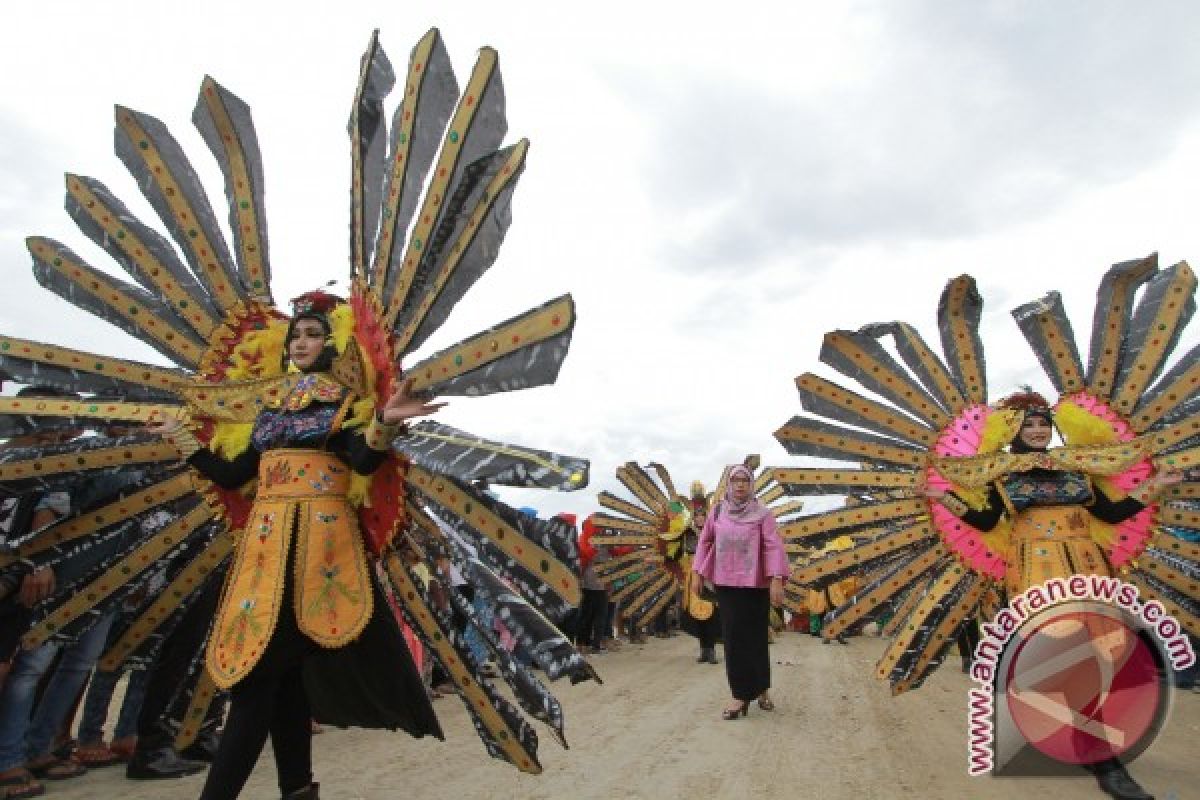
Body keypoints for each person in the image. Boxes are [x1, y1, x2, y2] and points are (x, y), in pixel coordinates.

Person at [151, 292, 446, 800]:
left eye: (313, 333)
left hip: (318, 559)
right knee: (282, 681)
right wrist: (181, 437)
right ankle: (297, 789)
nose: (301, 342)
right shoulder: (270, 411)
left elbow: (360, 463)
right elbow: (232, 473)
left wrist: (386, 419)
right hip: (263, 558)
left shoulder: (347, 404)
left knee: (257, 683)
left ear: (334, 343)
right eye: (296, 335)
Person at [925, 390, 1182, 800]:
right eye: (1029, 424)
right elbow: (987, 520)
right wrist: (947, 499)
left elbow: (1110, 515)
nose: (1039, 430)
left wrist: (1156, 485)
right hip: (1035, 574)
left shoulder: (1078, 469)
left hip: (1086, 569)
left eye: (1044, 423)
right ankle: (1103, 758)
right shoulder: (1001, 474)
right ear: (1014, 430)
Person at [691, 465, 789, 720]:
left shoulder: (763, 514)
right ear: (729, 484)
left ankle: (762, 690)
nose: (740, 485)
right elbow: (704, 542)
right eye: (735, 480)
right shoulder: (718, 511)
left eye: (745, 480)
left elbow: (772, 546)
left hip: (756, 584)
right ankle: (739, 695)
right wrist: (698, 574)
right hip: (727, 583)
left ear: (751, 484)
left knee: (756, 637)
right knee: (733, 638)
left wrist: (777, 578)